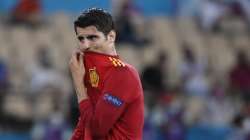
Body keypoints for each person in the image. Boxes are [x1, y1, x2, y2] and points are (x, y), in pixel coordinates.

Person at [69, 8, 144, 140]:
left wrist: (79, 85)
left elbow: (96, 128)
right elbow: (85, 124)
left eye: (92, 37)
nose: (85, 45)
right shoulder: (93, 72)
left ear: (111, 37)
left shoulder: (123, 74)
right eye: (81, 39)